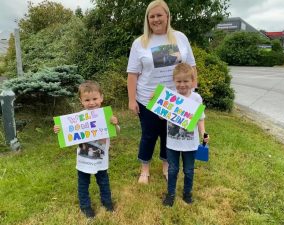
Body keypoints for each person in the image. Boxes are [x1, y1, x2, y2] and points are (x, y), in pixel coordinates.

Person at [127, 0, 197, 184]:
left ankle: (166, 166)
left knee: (169, 134)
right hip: (147, 98)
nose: (156, 19)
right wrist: (132, 100)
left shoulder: (180, 38)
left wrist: (192, 94)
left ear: (167, 16)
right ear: (147, 19)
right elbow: (132, 75)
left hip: (175, 99)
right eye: (152, 16)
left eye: (159, 15)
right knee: (149, 135)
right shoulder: (139, 43)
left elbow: (192, 67)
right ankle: (144, 169)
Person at [53, 80, 120, 218]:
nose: (91, 103)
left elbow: (116, 131)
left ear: (101, 97)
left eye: (95, 99)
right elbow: (67, 132)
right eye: (87, 100)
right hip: (83, 159)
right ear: (81, 101)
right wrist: (58, 129)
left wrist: (115, 123)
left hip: (101, 160)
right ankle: (85, 207)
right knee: (83, 184)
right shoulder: (78, 118)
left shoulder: (106, 115)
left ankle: (107, 204)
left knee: (103, 182)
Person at [162, 63, 209, 207]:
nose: (182, 85)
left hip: (191, 143)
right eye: (179, 81)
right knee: (172, 169)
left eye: (186, 81)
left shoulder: (196, 98)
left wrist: (203, 133)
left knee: (188, 170)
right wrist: (158, 104)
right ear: (174, 81)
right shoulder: (170, 97)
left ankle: (187, 194)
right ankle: (170, 195)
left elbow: (200, 119)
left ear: (193, 81)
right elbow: (162, 117)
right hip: (172, 142)